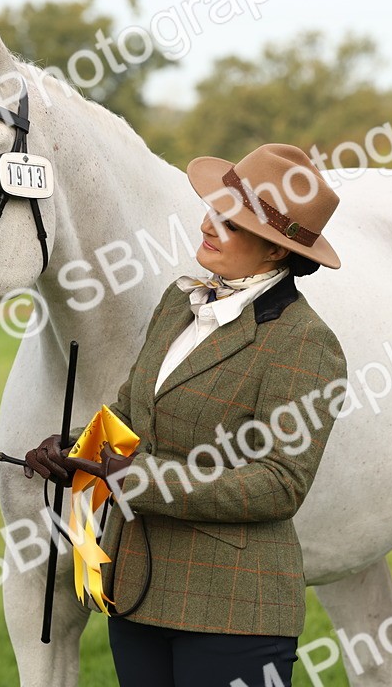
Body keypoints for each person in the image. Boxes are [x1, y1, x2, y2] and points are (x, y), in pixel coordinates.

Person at [24, 143, 348, 687]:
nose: (209, 224)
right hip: (138, 590)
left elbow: (280, 484)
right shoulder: (178, 303)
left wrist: (142, 480)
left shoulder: (306, 344)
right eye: (214, 209)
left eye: (232, 222)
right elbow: (129, 415)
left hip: (233, 609)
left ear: (275, 252)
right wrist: (74, 450)